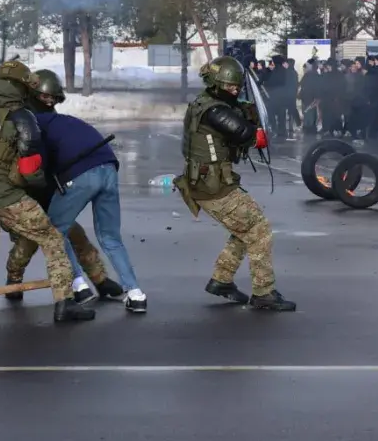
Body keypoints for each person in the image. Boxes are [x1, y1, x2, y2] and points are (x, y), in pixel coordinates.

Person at [0, 60, 93, 323]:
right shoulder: (21, 116)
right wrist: (39, 189)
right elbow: (30, 165)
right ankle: (64, 303)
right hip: (3, 194)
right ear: (23, 87)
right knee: (52, 239)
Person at [173, 56, 295, 311]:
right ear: (216, 84)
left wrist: (246, 108)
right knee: (259, 229)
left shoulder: (207, 102)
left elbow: (237, 115)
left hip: (210, 181)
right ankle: (264, 292)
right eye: (229, 87)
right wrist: (256, 130)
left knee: (245, 230)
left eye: (237, 86)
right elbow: (244, 133)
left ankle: (222, 280)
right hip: (213, 186)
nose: (234, 91)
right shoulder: (215, 110)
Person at [18, 69, 144, 311]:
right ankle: (136, 293)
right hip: (108, 168)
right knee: (110, 237)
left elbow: (38, 165)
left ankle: (78, 285)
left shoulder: (35, 126)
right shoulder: (67, 121)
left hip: (82, 174)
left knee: (53, 232)